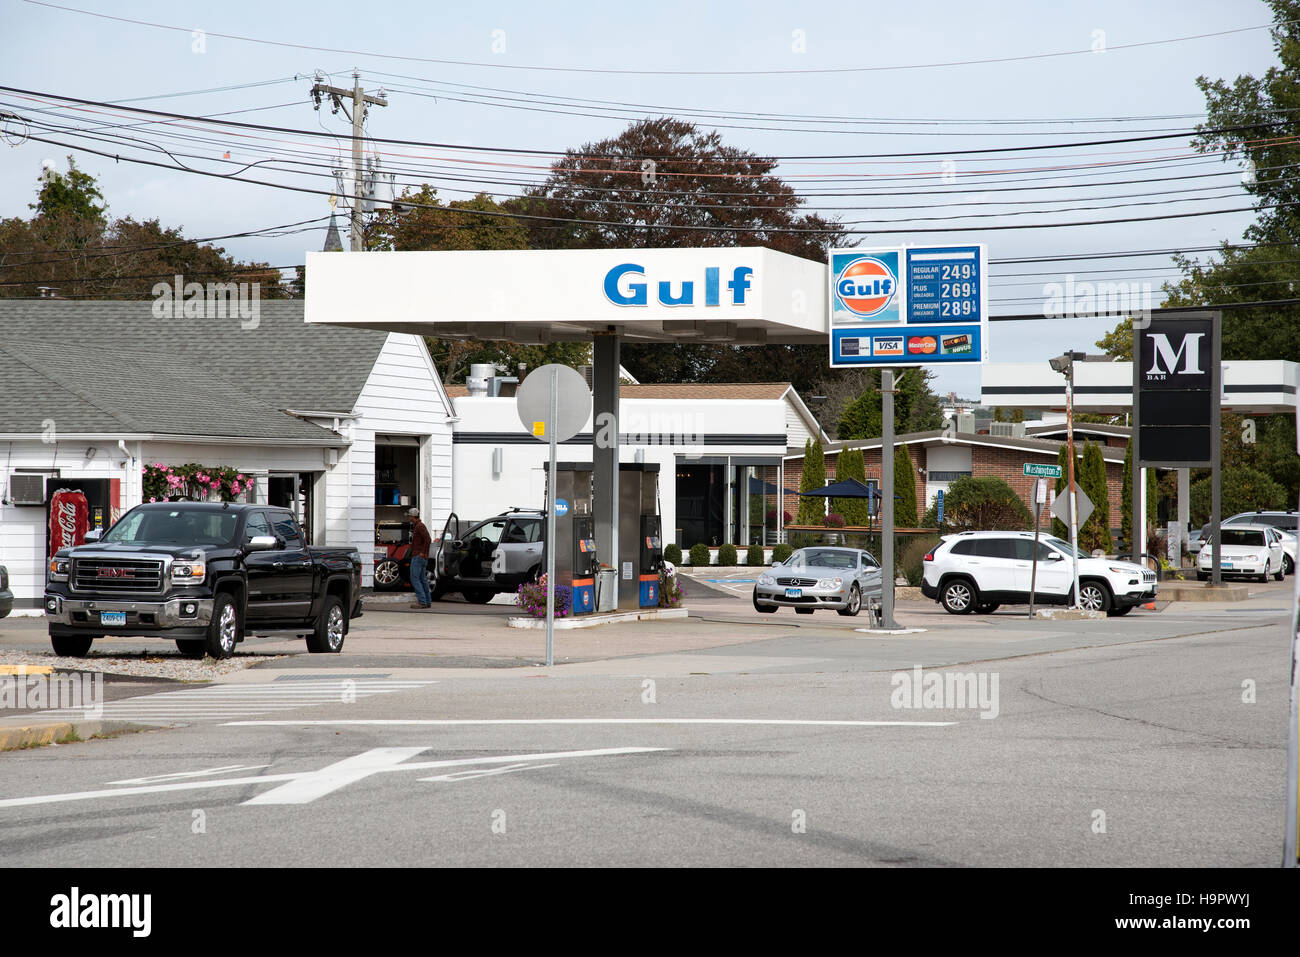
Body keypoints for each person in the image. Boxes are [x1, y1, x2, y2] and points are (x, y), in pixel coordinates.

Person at [407, 507, 433, 608]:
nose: (409, 518)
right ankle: (427, 601)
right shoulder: (418, 526)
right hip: (421, 557)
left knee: (415, 579)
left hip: (418, 556)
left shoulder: (419, 526)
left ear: (412, 516)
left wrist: (422, 552)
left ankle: (422, 601)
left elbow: (428, 539)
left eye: (409, 516)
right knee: (423, 579)